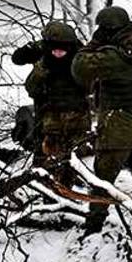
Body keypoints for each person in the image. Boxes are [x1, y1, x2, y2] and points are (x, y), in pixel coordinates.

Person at [71, 6, 132, 232]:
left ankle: (94, 225)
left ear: (108, 29)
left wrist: (93, 44)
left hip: (118, 130)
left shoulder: (114, 55)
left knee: (102, 181)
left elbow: (79, 68)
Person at [11, 21, 88, 186]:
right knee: (58, 159)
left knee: (58, 160)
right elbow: (17, 58)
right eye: (55, 48)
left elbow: (31, 88)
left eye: (63, 48)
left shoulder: (75, 58)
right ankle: (56, 192)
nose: (59, 53)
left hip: (62, 118)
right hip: (60, 117)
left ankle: (57, 193)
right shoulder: (79, 54)